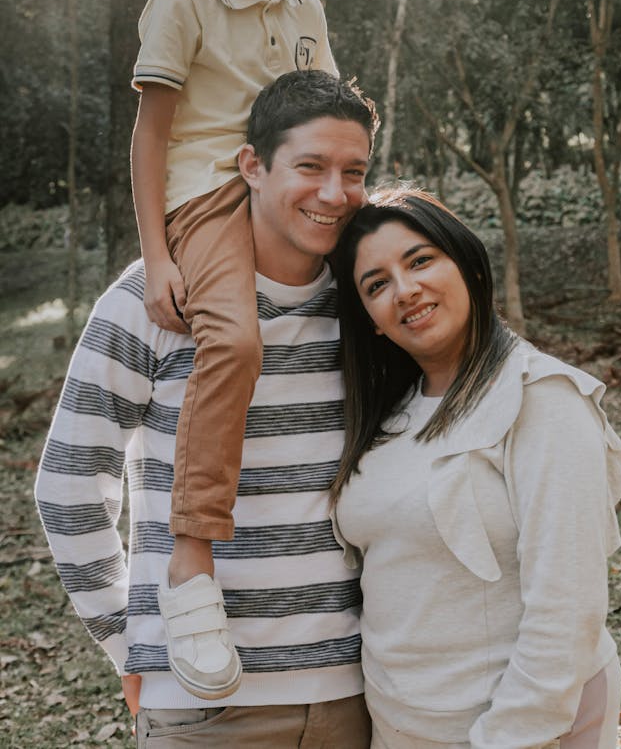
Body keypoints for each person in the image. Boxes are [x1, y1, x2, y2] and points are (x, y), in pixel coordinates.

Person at [36, 71, 378, 748]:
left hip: (355, 692)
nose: (334, 193)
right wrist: (128, 643)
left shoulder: (368, 303)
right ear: (252, 165)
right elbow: (70, 487)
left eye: (355, 171)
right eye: (310, 166)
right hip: (204, 705)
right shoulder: (155, 299)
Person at [130, 0, 337, 697]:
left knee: (417, 251)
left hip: (290, 183)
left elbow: (325, 105)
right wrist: (158, 256)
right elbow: (150, 136)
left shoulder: (306, 6)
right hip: (211, 198)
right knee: (239, 343)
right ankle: (189, 562)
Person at [330, 187, 621, 749]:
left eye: (420, 260)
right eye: (377, 284)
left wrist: (509, 735)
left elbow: (567, 607)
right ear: (369, 317)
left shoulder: (540, 397)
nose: (405, 289)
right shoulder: (389, 415)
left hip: (518, 728)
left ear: (465, 261)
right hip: (400, 723)